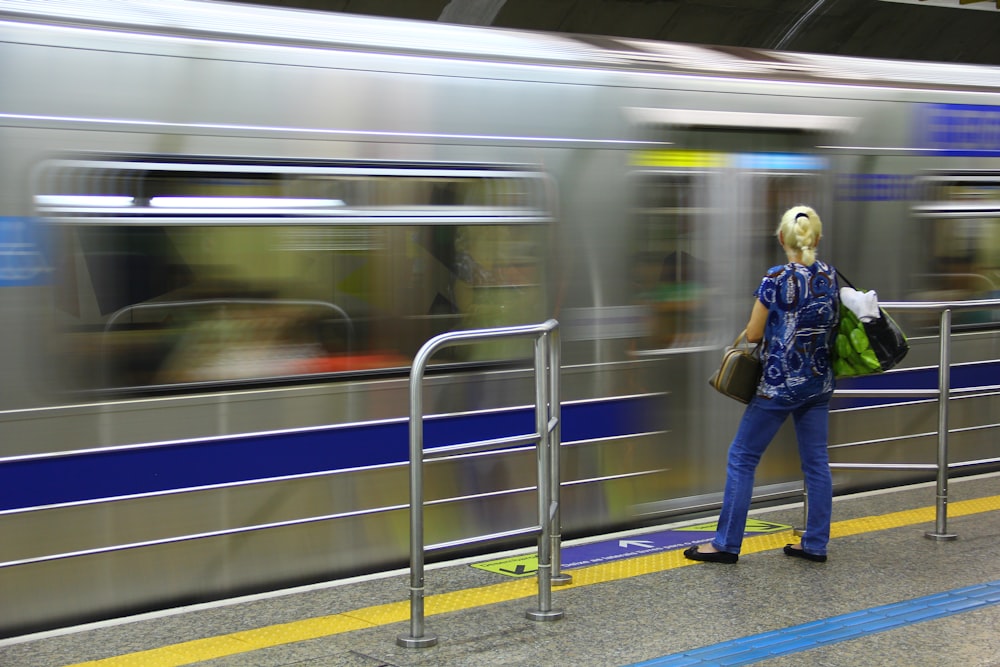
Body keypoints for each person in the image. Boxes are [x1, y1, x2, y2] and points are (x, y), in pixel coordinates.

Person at [684, 205, 838, 564]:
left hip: (779, 386)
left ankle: (725, 544)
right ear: (817, 238)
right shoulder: (830, 276)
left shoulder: (776, 278)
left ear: (782, 238)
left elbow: (753, 333)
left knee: (742, 457)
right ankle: (814, 543)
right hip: (818, 384)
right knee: (816, 462)